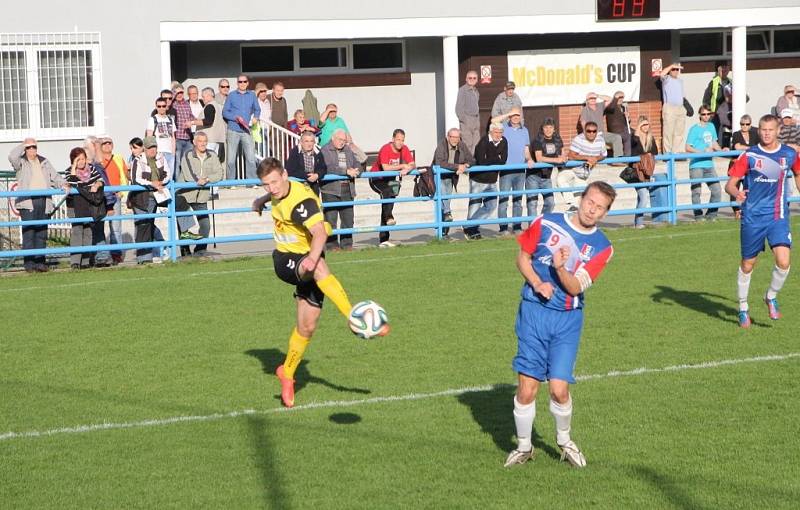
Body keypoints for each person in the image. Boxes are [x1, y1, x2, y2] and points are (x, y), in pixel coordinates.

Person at [250, 157, 381, 408]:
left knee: (306, 327)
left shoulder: (303, 201)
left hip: (308, 257)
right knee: (319, 266)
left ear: (285, 175)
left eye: (274, 182)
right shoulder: (278, 191)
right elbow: (279, 198)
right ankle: (355, 317)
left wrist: (311, 256)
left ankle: (286, 373)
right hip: (286, 260)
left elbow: (319, 233)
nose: (272, 189)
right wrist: (261, 200)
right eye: (266, 185)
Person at [504, 181, 616, 469]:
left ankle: (565, 441)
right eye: (590, 202)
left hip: (567, 320)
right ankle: (525, 447)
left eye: (600, 207)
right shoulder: (546, 222)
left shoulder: (603, 248)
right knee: (527, 388)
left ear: (605, 213)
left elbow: (577, 287)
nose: (592, 209)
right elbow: (522, 257)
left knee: (558, 389)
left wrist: (558, 269)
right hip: (533, 313)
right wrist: (538, 282)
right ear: (581, 199)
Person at [725, 114, 800, 328]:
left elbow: (797, 173)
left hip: (778, 215)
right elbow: (730, 185)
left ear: (778, 131)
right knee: (748, 264)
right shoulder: (749, 156)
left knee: (784, 261)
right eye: (763, 130)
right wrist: (736, 194)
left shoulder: (788, 154)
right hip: (752, 217)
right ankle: (743, 307)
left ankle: (771, 296)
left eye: (770, 130)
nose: (766, 133)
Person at [8, 138, 68, 272]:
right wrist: (23, 144)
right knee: (29, 233)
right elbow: (12, 156)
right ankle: (29, 264)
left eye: (33, 147)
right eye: (28, 147)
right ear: (25, 149)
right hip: (28, 201)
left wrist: (63, 184)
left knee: (41, 232)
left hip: (44, 200)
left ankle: (40, 262)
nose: (31, 150)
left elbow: (55, 177)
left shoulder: (44, 161)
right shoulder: (21, 162)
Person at [178, 131, 224, 257]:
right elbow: (188, 174)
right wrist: (198, 180)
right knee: (183, 225)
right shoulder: (187, 155)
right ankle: (185, 250)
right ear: (194, 142)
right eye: (200, 141)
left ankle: (200, 250)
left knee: (205, 225)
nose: (203, 144)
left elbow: (219, 173)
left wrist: (207, 179)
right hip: (185, 195)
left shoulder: (212, 155)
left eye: (205, 141)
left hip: (202, 196)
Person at [129, 136, 172, 264]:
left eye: (154, 147)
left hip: (154, 197)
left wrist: (160, 182)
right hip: (140, 198)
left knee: (149, 224)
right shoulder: (138, 160)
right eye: (150, 148)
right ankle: (144, 257)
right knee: (143, 225)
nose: (153, 150)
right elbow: (135, 178)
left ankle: (151, 254)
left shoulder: (161, 157)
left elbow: (168, 174)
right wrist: (151, 183)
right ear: (145, 149)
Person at [370, 129, 416, 247]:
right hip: (377, 178)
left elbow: (412, 163)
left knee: (387, 204)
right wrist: (402, 166)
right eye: (398, 139)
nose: (400, 142)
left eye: (402, 140)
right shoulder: (385, 149)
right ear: (393, 139)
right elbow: (385, 168)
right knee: (386, 194)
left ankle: (384, 239)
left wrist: (407, 169)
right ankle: (389, 218)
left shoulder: (404, 149)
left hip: (390, 180)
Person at [319, 129, 361, 250]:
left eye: (344, 140)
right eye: (340, 140)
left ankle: (347, 245)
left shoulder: (348, 150)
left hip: (347, 188)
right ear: (333, 138)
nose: (342, 142)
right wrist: (346, 171)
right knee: (330, 220)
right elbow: (328, 167)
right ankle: (332, 245)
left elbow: (358, 162)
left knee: (348, 219)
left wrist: (356, 170)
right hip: (331, 189)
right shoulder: (325, 150)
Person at [65, 147, 106, 269]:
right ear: (73, 161)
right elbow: (72, 185)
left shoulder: (92, 169)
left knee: (88, 232)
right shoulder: (68, 171)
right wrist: (73, 168)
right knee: (77, 231)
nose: (82, 162)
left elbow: (101, 180)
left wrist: (97, 184)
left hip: (88, 205)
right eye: (78, 160)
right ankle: (75, 262)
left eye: (83, 158)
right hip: (74, 207)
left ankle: (86, 261)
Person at [491, 107, 530, 235]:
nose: (515, 117)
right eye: (513, 115)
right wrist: (509, 113)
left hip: (520, 170)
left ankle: (517, 226)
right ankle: (503, 228)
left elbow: (526, 150)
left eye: (518, 115)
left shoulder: (525, 130)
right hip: (506, 170)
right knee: (503, 200)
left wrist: (529, 159)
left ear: (521, 117)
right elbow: (493, 121)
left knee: (518, 200)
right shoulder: (504, 129)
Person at [465, 123, 507, 240]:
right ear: (490, 132)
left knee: (491, 205)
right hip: (479, 179)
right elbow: (481, 161)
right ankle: (471, 231)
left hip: (492, 180)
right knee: (475, 206)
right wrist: (496, 158)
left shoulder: (504, 142)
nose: (498, 135)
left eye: (500, 132)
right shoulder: (483, 142)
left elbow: (503, 161)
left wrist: (493, 159)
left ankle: (469, 226)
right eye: (496, 132)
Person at [431, 128, 474, 238]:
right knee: (443, 202)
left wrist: (465, 166)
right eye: (453, 137)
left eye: (457, 137)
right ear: (448, 137)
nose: (455, 139)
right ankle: (445, 221)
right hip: (438, 177)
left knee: (446, 201)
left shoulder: (461, 145)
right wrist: (457, 167)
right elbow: (439, 162)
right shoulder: (442, 145)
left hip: (451, 178)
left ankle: (444, 232)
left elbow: (472, 159)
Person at [685, 105, 723, 221]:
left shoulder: (711, 126)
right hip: (696, 165)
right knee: (696, 191)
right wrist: (701, 151)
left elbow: (713, 143)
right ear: (699, 115)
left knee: (717, 190)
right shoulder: (694, 129)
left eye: (708, 114)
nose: (706, 116)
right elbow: (687, 147)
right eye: (703, 114)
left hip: (709, 164)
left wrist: (721, 150)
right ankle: (698, 216)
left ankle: (711, 215)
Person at [222, 74, 260, 181]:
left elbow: (257, 109)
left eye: (244, 82)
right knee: (230, 159)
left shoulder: (252, 95)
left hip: (246, 130)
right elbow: (225, 112)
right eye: (240, 82)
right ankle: (230, 183)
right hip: (233, 129)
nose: (242, 84)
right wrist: (235, 118)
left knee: (251, 158)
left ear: (248, 83)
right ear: (237, 83)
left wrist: (256, 118)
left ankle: (251, 181)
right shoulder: (231, 95)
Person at [98, 135, 129, 264]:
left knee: (115, 227)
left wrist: (122, 192)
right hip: (100, 197)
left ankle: (116, 254)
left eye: (109, 143)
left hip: (115, 196)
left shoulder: (118, 158)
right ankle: (100, 255)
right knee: (99, 226)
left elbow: (124, 176)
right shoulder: (97, 160)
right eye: (104, 143)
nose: (107, 145)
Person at [566, 121, 607, 212]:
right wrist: (587, 157)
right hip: (572, 169)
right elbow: (571, 155)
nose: (591, 133)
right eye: (589, 131)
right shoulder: (578, 139)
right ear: (584, 131)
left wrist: (596, 158)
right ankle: (571, 203)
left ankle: (574, 211)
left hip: (584, 172)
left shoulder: (600, 140)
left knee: (580, 197)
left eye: (594, 131)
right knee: (560, 179)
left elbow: (604, 155)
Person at [528, 118, 564, 217]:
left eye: (551, 127)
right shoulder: (537, 140)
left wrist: (564, 158)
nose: (548, 130)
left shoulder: (557, 139)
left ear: (554, 129)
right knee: (532, 204)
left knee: (550, 203)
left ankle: (542, 224)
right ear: (542, 129)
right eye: (546, 127)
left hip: (547, 177)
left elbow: (562, 154)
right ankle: (533, 228)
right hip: (533, 176)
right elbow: (539, 158)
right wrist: (556, 160)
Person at [630, 116, 659, 229]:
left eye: (647, 124)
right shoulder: (635, 137)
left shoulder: (650, 138)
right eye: (643, 125)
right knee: (644, 197)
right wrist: (637, 129)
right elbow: (635, 148)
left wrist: (647, 154)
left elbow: (655, 152)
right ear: (639, 126)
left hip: (646, 171)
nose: (646, 127)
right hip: (636, 171)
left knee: (640, 197)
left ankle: (637, 222)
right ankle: (639, 223)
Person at [580, 92, 623, 158]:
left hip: (602, 134)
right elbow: (583, 122)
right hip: (592, 133)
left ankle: (617, 160)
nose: (593, 99)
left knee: (617, 137)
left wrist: (597, 95)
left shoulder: (599, 106)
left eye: (594, 98)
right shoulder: (585, 110)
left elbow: (610, 99)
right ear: (587, 100)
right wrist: (586, 134)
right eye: (591, 98)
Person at [285, 131, 327, 196]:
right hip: (298, 186)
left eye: (311, 141)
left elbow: (323, 168)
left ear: (314, 142)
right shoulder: (295, 151)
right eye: (306, 141)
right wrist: (307, 176)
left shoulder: (318, 151)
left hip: (313, 187)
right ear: (301, 142)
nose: (309, 144)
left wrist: (317, 175)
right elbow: (290, 170)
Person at [659, 63, 687, 154]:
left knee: (679, 132)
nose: (675, 71)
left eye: (677, 70)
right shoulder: (666, 79)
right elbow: (661, 74)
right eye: (673, 69)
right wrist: (671, 66)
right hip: (670, 107)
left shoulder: (680, 81)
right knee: (668, 132)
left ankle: (676, 152)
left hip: (680, 107)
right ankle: (667, 153)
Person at [145, 97, 177, 173]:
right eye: (159, 106)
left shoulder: (170, 119)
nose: (161, 108)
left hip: (169, 153)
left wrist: (173, 153)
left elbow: (173, 137)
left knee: (170, 177)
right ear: (156, 107)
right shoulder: (152, 119)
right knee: (160, 176)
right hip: (158, 152)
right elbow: (149, 138)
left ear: (166, 107)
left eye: (163, 106)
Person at [197, 87, 227, 163]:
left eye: (203, 96)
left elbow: (208, 121)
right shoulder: (218, 105)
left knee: (207, 161)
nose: (202, 98)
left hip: (209, 139)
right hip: (217, 139)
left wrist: (192, 122)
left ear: (209, 96)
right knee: (214, 161)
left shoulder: (209, 106)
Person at [171, 85, 196, 172]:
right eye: (177, 92)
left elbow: (191, 116)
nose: (180, 94)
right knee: (177, 162)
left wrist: (197, 121)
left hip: (188, 138)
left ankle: (186, 184)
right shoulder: (173, 104)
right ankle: (177, 185)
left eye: (181, 92)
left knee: (188, 163)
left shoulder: (186, 103)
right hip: (178, 138)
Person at [703, 62, 732, 135]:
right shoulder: (713, 82)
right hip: (715, 114)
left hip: (728, 114)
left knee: (727, 135)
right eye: (721, 68)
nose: (724, 70)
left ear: (729, 69)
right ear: (718, 70)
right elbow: (706, 99)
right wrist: (709, 112)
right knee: (714, 135)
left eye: (726, 67)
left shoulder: (731, 82)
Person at [456, 70, 481, 154]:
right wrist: (464, 120)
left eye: (474, 78)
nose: (472, 79)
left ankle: (473, 161)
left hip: (475, 119)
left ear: (477, 80)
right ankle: (467, 162)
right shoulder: (463, 90)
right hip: (467, 119)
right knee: (468, 143)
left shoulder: (476, 91)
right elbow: (458, 107)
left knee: (476, 143)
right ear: (466, 79)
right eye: (470, 78)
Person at [604, 91, 631, 156]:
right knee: (628, 136)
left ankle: (638, 156)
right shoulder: (611, 106)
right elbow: (611, 108)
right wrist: (615, 98)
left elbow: (626, 123)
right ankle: (627, 157)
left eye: (622, 97)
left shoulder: (623, 107)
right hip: (615, 131)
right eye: (620, 97)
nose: (621, 99)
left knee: (637, 134)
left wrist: (628, 118)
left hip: (624, 129)